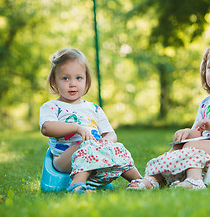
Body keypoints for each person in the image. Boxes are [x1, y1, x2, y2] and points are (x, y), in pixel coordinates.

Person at [127, 43, 210, 190]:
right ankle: (153, 178)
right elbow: (198, 132)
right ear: (204, 71)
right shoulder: (206, 103)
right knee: (181, 144)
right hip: (209, 146)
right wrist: (186, 133)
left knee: (193, 145)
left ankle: (194, 181)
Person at [39, 48, 142, 193]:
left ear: (86, 80)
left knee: (118, 147)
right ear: (54, 82)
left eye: (78, 78)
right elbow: (47, 128)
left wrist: (106, 142)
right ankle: (77, 185)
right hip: (64, 159)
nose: (72, 83)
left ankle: (139, 180)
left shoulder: (94, 109)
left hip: (95, 152)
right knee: (86, 145)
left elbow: (111, 134)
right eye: (65, 78)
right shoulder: (52, 106)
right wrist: (76, 128)